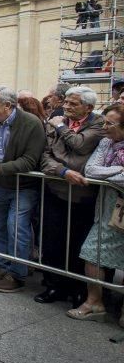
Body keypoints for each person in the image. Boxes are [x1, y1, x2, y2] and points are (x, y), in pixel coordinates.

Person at [0, 86, 46, 293]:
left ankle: (17, 273)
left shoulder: (31, 123)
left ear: (8, 105)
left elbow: (30, 161)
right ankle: (4, 268)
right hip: (0, 184)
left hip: (24, 186)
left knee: (17, 227)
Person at [37, 86, 105, 307]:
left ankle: (79, 290)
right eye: (65, 102)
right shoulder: (58, 121)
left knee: (78, 244)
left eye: (73, 104)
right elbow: (45, 156)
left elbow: (81, 145)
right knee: (53, 241)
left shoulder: (98, 123)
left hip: (83, 196)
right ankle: (54, 285)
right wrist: (63, 171)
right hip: (56, 189)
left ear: (89, 107)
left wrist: (59, 127)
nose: (66, 107)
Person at [67, 103, 124, 324]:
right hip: (108, 207)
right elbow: (90, 170)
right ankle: (95, 302)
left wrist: (110, 174)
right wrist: (119, 170)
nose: (105, 127)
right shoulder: (106, 142)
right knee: (92, 251)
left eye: (110, 123)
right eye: (104, 122)